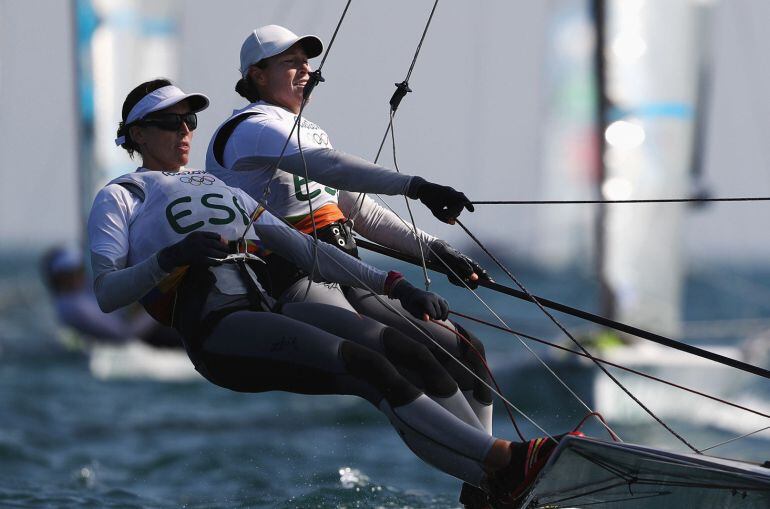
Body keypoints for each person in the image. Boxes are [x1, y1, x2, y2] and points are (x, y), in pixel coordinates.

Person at [91, 79, 577, 508]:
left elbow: (304, 249)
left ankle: (495, 483)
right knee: (369, 364)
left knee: (388, 361)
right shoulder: (122, 195)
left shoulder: (218, 188)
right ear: (137, 134)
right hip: (216, 329)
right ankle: (503, 464)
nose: (185, 131)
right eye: (169, 122)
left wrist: (396, 284)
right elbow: (108, 293)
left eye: (190, 119)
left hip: (262, 310)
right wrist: (168, 259)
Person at [205, 25, 496, 507]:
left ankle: (484, 480)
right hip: (296, 281)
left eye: (307, 62)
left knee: (466, 349)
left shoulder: (307, 130)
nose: (305, 71)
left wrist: (438, 251)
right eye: (290, 63)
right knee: (403, 354)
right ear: (257, 75)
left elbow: (359, 211)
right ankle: (494, 468)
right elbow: (331, 167)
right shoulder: (251, 127)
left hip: (351, 274)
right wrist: (418, 186)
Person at [40, 245, 182, 348]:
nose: (77, 275)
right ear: (58, 278)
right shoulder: (71, 305)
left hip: (144, 328)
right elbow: (125, 335)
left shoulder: (83, 290)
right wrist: (164, 298)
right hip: (147, 338)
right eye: (69, 272)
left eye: (78, 269)